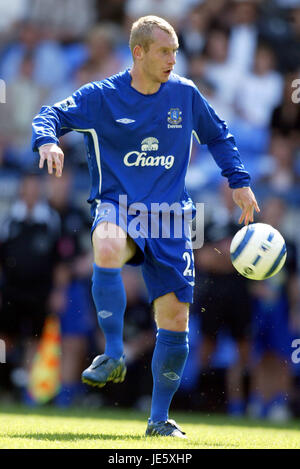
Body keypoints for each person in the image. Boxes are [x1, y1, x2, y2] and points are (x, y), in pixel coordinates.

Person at [31, 15, 259, 438]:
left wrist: (239, 183)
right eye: (165, 51)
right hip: (119, 206)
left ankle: (159, 420)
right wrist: (46, 140)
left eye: (175, 51)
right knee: (106, 241)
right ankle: (114, 352)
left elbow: (219, 136)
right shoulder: (102, 97)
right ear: (139, 52)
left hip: (173, 219)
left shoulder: (185, 95)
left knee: (175, 320)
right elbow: (50, 114)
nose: (174, 58)